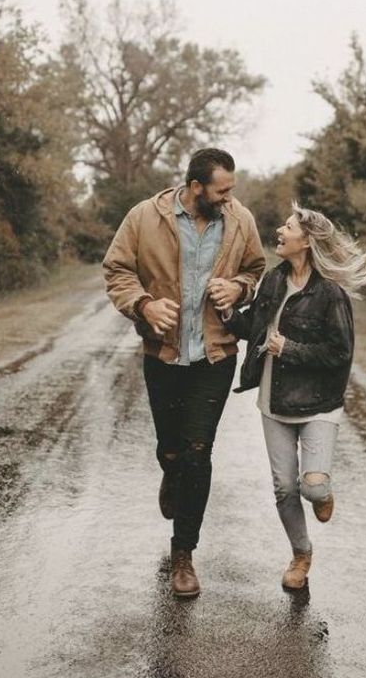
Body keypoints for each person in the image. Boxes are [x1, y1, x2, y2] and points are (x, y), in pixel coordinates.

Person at [102, 148, 265, 598]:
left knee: (198, 452)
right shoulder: (142, 218)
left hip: (215, 356)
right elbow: (116, 269)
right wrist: (143, 304)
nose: (230, 198)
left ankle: (183, 555)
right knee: (171, 450)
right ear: (196, 188)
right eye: (222, 189)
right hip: (164, 356)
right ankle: (169, 470)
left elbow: (256, 268)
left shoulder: (240, 220)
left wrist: (239, 286)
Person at [222, 203, 366, 590]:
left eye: (287, 227)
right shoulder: (273, 281)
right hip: (274, 403)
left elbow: (339, 353)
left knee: (313, 487)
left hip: (319, 405)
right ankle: (301, 554)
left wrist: (289, 348)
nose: (280, 231)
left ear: (305, 240)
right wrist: (227, 312)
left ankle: (322, 493)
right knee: (285, 487)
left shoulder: (330, 295)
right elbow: (254, 329)